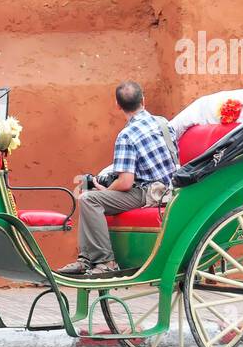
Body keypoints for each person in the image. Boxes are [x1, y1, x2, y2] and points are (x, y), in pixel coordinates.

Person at [58, 81, 176, 277]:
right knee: (93, 197)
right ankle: (86, 259)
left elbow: (126, 182)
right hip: (172, 188)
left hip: (150, 193)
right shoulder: (163, 123)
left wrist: (106, 190)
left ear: (117, 105)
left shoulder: (126, 135)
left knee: (89, 199)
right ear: (143, 100)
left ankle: (105, 261)